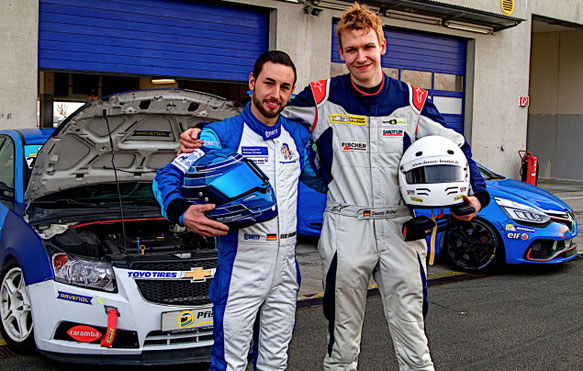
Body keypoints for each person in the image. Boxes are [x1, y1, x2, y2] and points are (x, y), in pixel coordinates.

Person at [180, 4, 490, 370]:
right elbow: (264, 112)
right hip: (347, 227)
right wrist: (207, 134)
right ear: (340, 53)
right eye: (351, 50)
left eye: (368, 47)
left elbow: (456, 146)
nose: (361, 57)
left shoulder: (413, 101)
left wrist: (476, 195)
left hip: (400, 229)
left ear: (383, 46)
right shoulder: (318, 97)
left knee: (414, 339)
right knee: (343, 342)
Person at [153, 50, 323, 371]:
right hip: (241, 268)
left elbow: (328, 178)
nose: (275, 94)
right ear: (252, 82)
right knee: (230, 364)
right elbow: (169, 174)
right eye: (269, 83)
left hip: (286, 268)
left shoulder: (296, 135)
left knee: (275, 361)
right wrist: (180, 211)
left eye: (285, 87)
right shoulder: (222, 135)